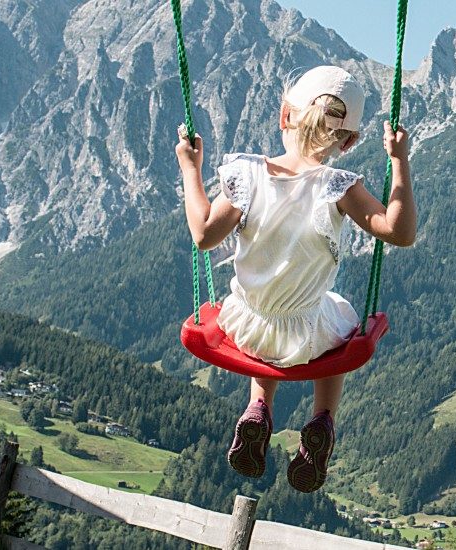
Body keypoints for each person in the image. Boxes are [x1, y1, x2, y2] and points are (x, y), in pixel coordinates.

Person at [175, 66, 416, 492]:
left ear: (285, 114)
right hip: (308, 337)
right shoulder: (340, 186)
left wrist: (191, 169)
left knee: (267, 309)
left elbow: (203, 235)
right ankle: (323, 419)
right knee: (339, 312)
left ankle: (258, 408)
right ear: (350, 142)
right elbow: (400, 232)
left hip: (244, 326)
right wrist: (399, 162)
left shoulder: (245, 176)